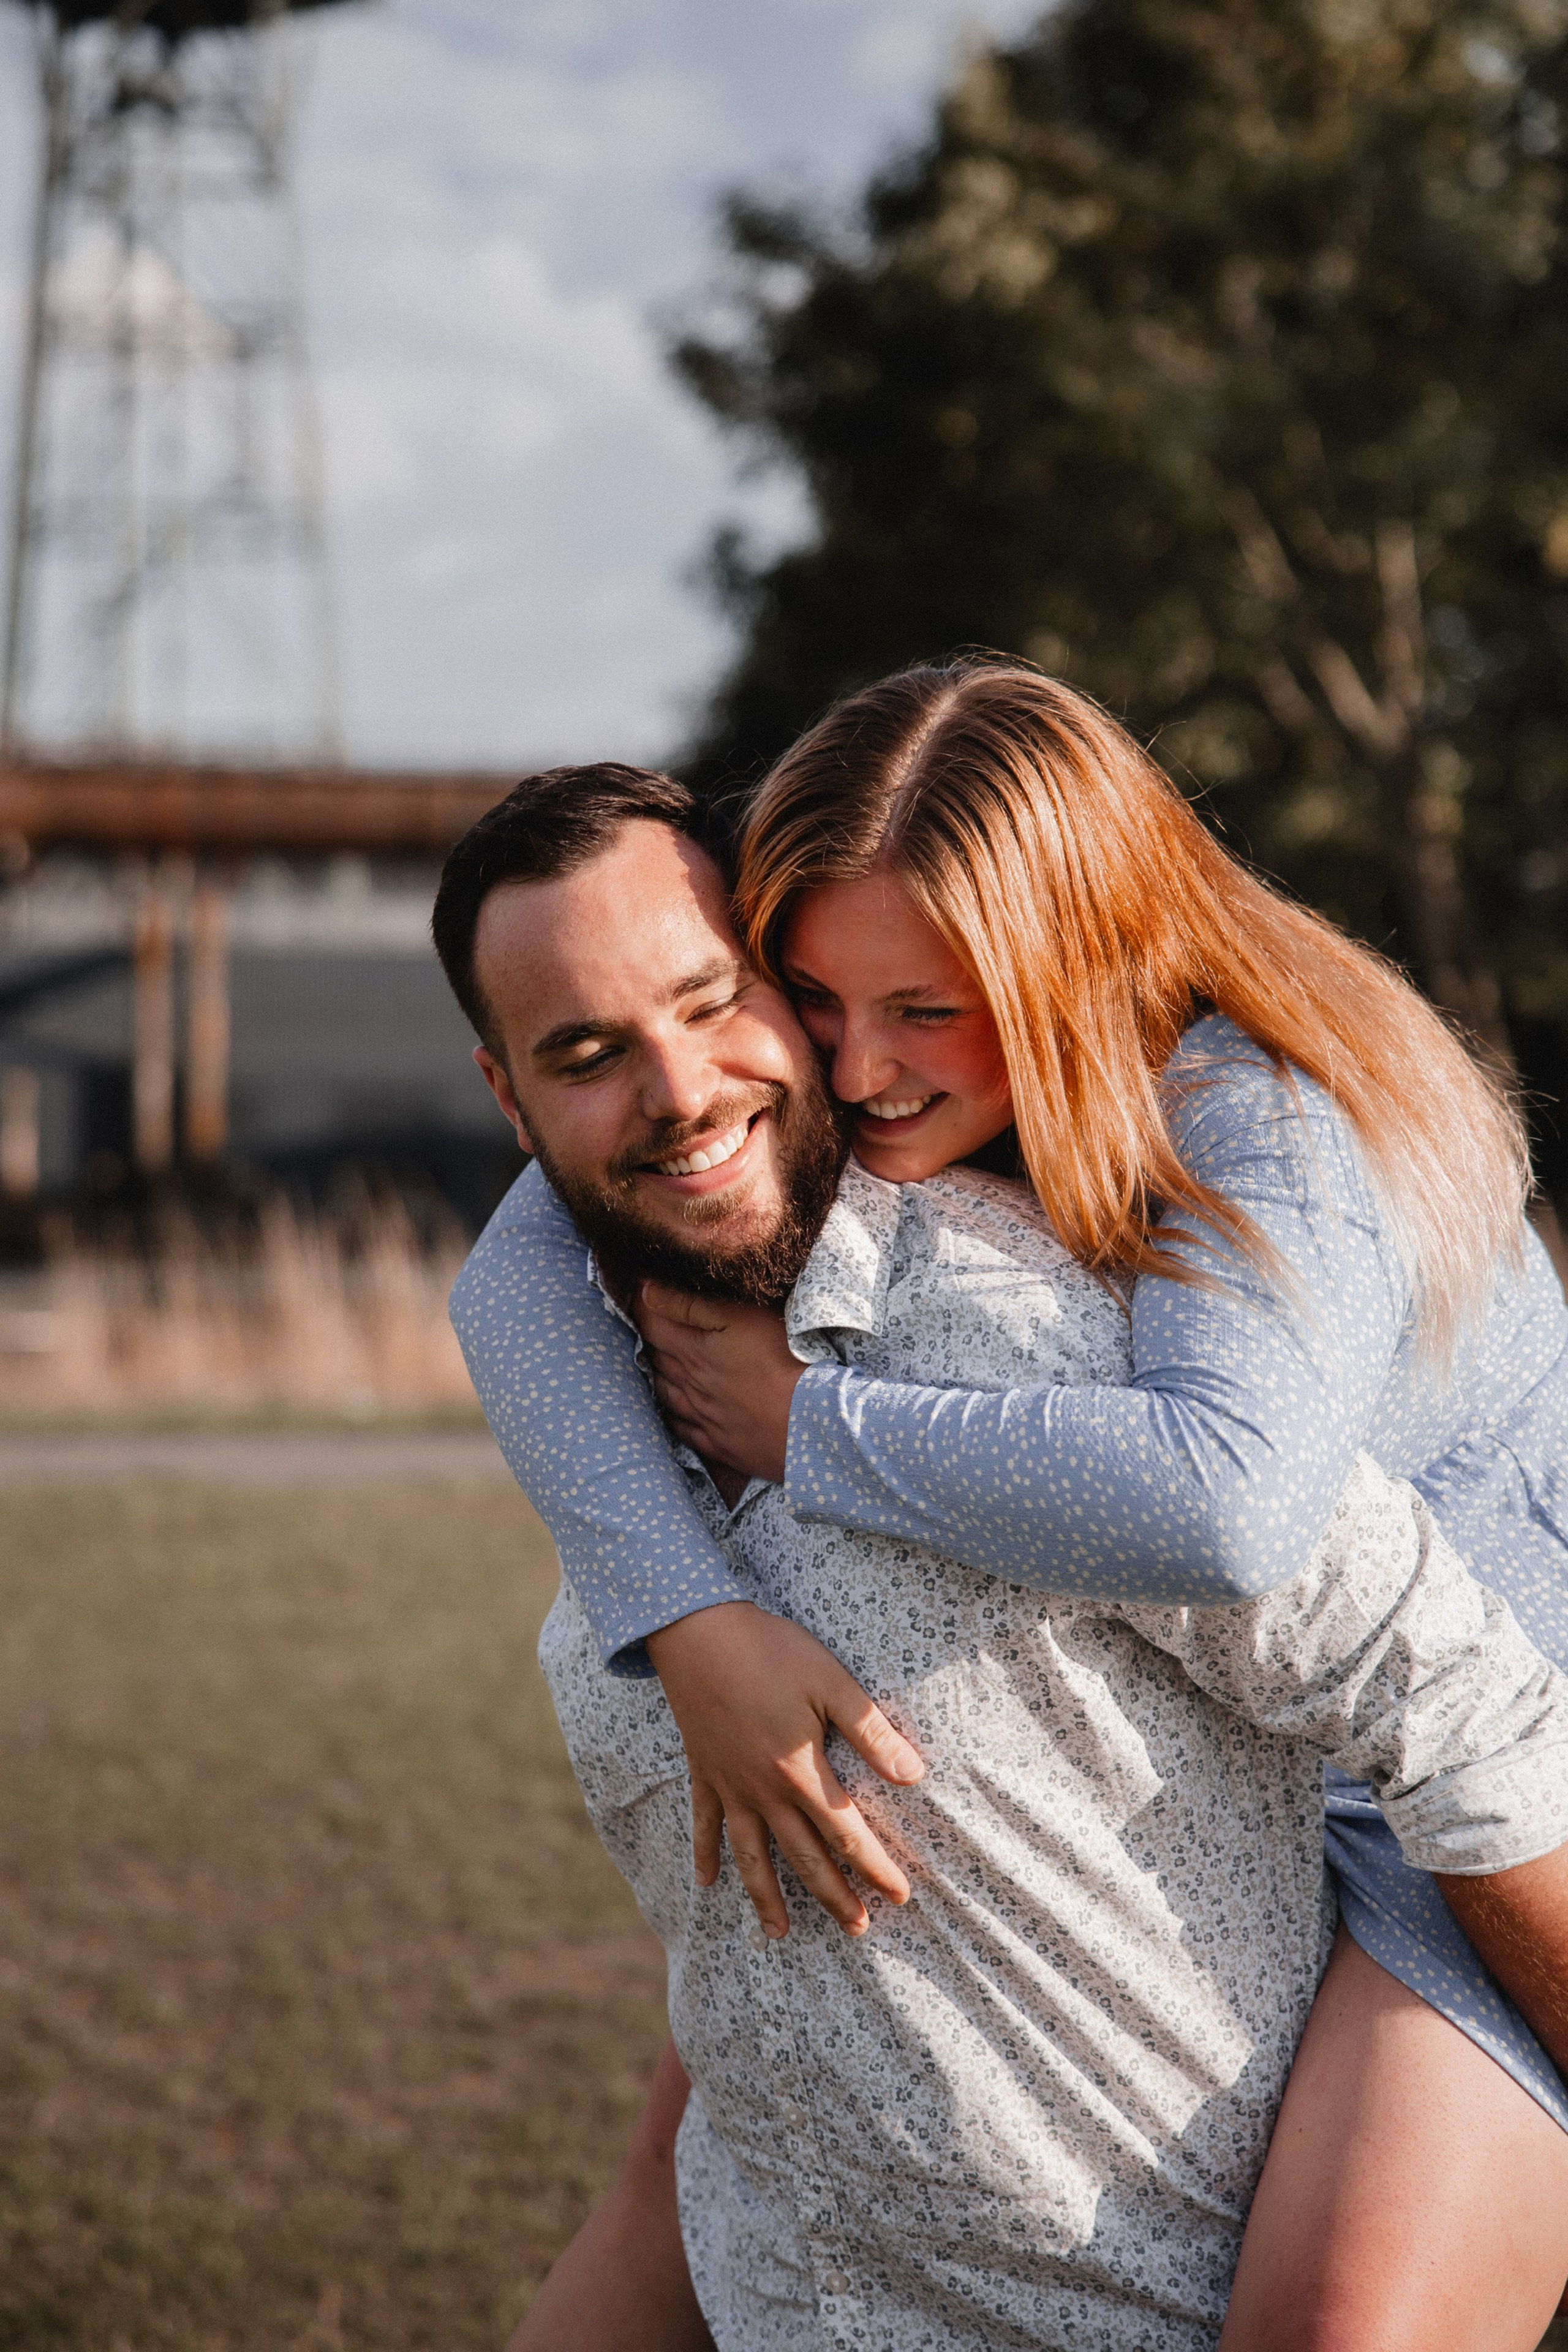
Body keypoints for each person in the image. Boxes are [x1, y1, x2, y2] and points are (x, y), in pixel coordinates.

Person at [433, 751, 1568, 2350]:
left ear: (1075, 961)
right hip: (1266, 1719)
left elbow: (1229, 1513)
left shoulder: (1260, 1119)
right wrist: (689, 1616)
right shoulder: (886, 1160)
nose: (867, 1064)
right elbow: (509, 1284)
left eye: (929, 1003)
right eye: (830, 999)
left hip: (1475, 1737)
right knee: (715, 2121)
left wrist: (808, 1427)